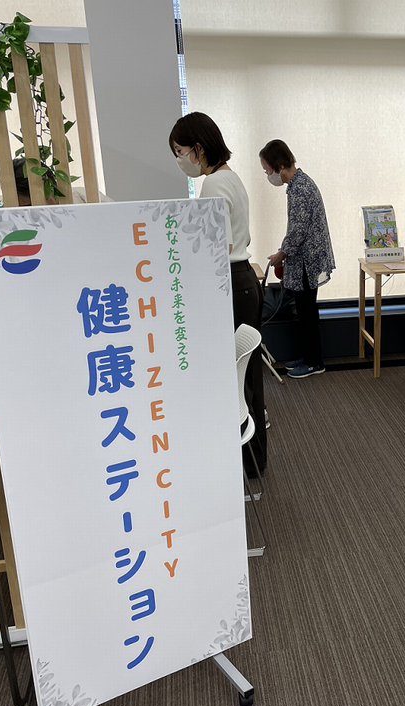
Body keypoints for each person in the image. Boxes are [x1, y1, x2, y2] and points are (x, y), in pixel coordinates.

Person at [169, 112, 267, 475]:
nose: (179, 160)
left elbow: (218, 247)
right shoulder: (231, 177)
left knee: (234, 379)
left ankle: (242, 462)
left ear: (198, 148)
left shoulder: (213, 185)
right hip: (243, 280)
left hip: (230, 282)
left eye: (180, 152)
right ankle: (254, 460)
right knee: (248, 377)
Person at [260, 139, 336, 379]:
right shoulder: (299, 184)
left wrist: (281, 254)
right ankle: (309, 357)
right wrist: (283, 252)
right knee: (305, 312)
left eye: (268, 170)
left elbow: (297, 231)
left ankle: (314, 362)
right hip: (306, 259)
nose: (268, 175)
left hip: (307, 261)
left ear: (280, 165)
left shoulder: (300, 188)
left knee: (307, 313)